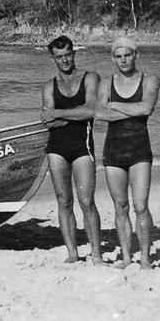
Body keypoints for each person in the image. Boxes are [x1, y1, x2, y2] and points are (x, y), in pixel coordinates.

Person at [94, 37, 160, 270]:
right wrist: (131, 109)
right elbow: (99, 114)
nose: (123, 60)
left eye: (127, 55)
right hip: (113, 149)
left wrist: (114, 105)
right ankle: (125, 256)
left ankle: (144, 258)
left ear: (136, 55)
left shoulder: (150, 80)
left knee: (140, 206)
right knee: (120, 205)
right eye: (118, 56)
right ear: (113, 58)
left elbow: (147, 108)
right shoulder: (105, 83)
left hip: (140, 149)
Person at [40, 35, 103, 264]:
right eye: (59, 57)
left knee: (86, 201)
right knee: (64, 201)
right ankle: (73, 254)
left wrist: (58, 113)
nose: (64, 60)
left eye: (67, 55)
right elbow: (47, 122)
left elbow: (92, 110)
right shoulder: (49, 86)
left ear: (74, 53)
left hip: (82, 147)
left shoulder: (90, 78)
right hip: (56, 148)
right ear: (53, 58)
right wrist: (76, 113)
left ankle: (96, 253)